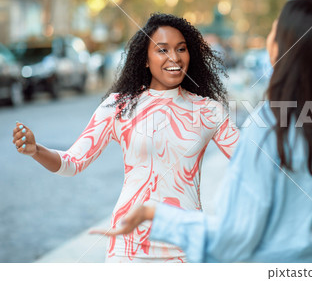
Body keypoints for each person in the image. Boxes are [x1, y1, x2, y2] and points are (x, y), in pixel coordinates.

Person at [91, 0, 312, 263]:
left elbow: (232, 238)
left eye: (275, 31)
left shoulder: (268, 128)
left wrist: (156, 215)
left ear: (283, 49)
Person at [12, 14, 239, 263]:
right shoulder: (118, 106)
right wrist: (36, 150)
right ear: (144, 59)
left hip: (186, 248)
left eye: (181, 49)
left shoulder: (209, 111)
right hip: (127, 247)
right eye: (162, 50)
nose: (174, 57)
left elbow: (252, 160)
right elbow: (72, 163)